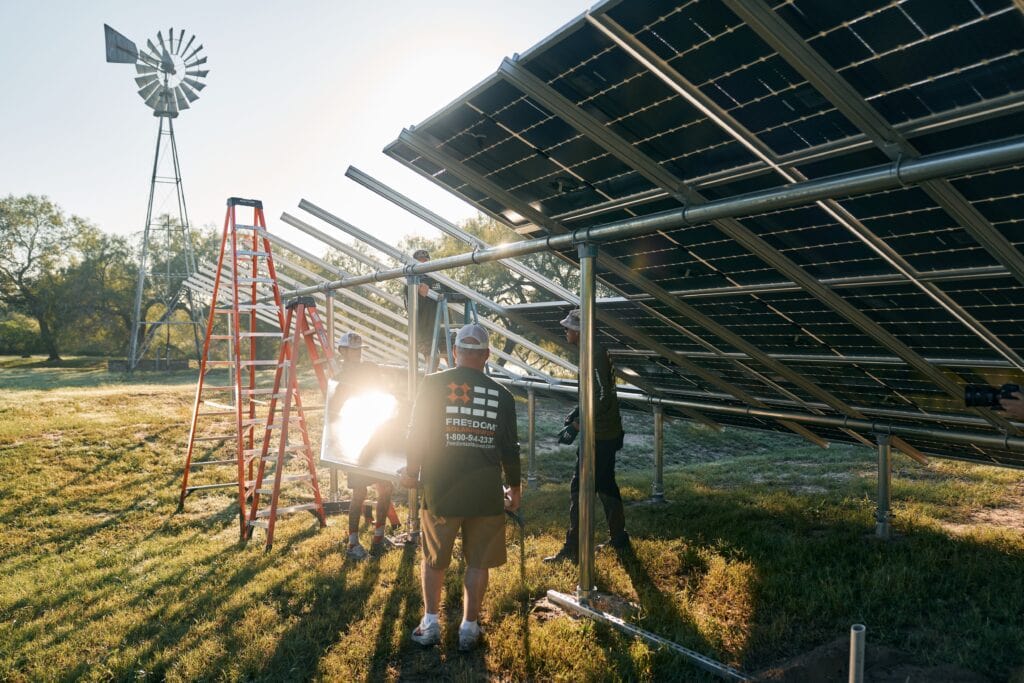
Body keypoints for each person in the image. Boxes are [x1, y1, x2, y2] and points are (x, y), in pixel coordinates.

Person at [401, 323, 521, 651]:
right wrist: (515, 487)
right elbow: (511, 448)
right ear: (486, 355)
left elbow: (416, 434)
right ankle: (469, 629)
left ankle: (431, 624)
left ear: (455, 352)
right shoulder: (503, 396)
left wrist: (411, 472)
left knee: (434, 559)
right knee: (478, 561)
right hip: (485, 493)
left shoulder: (433, 384)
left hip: (441, 490)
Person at [544, 308, 629, 563]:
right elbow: (595, 393)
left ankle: (574, 546)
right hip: (603, 432)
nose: (565, 331)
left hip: (599, 434)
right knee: (604, 484)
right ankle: (619, 539)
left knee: (580, 486)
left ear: (580, 331)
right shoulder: (592, 351)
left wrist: (579, 424)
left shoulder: (594, 354)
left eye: (569, 327)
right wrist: (576, 412)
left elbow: (602, 398)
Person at [335, 332, 397, 560]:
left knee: (386, 487)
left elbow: (383, 394)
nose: (356, 354)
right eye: (352, 350)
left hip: (375, 433)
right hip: (355, 438)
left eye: (359, 349)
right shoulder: (339, 378)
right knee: (359, 492)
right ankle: (353, 544)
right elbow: (336, 412)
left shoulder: (370, 369)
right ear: (342, 352)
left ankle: (379, 536)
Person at [406, 248, 442, 371]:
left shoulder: (438, 279)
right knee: (433, 359)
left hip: (440, 328)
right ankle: (429, 385)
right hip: (423, 331)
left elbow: (449, 296)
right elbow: (410, 309)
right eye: (419, 262)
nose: (423, 265)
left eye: (425, 262)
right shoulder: (410, 284)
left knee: (454, 354)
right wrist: (419, 295)